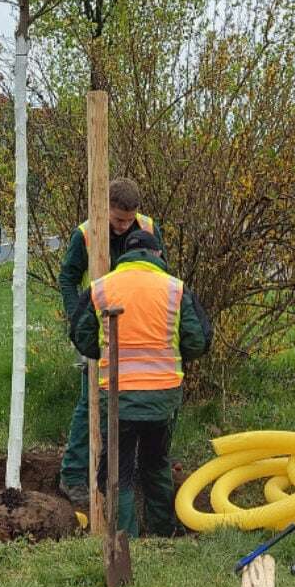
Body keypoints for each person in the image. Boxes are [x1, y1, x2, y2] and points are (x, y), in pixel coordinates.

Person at [68, 229, 211, 537]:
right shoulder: (175, 289)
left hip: (118, 396)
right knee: (157, 461)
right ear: (157, 255)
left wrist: (102, 351)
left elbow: (81, 336)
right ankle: (163, 529)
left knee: (118, 469)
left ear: (124, 257)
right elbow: (198, 340)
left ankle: (125, 538)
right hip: (162, 397)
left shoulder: (102, 288)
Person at [56, 178, 165, 507]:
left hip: (139, 328)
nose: (124, 226)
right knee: (90, 401)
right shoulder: (86, 234)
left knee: (136, 404)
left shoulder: (147, 227)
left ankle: (132, 474)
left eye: (129, 220)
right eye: (118, 220)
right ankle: (74, 476)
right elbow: (68, 277)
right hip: (102, 328)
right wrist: (80, 322)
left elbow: (161, 274)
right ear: (105, 209)